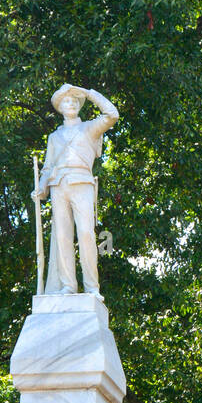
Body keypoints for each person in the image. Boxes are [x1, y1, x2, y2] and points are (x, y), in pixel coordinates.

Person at [33, 84, 119, 296]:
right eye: (66, 101)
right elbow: (48, 167)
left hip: (81, 182)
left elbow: (112, 114)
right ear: (60, 107)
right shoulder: (54, 137)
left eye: (74, 101)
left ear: (79, 105)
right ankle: (68, 285)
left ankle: (92, 287)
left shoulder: (89, 128)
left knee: (86, 234)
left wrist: (89, 93)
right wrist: (41, 188)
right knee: (62, 236)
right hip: (58, 185)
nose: (70, 104)